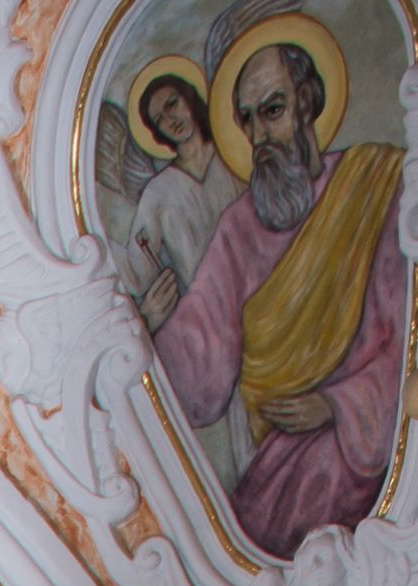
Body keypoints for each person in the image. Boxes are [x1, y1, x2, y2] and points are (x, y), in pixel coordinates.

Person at [155, 12, 409, 552]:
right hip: (280, 466)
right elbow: (199, 361)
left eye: (272, 111)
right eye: (247, 120)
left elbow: (406, 340)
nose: (259, 137)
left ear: (308, 103)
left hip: (369, 444)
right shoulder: (238, 229)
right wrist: (137, 333)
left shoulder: (376, 183)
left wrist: (336, 405)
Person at [121, 67, 249, 483]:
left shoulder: (235, 155)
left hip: (262, 302)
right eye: (159, 119)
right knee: (243, 439)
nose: (170, 120)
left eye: (172, 104)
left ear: (190, 98)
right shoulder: (159, 193)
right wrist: (148, 313)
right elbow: (137, 268)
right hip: (211, 328)